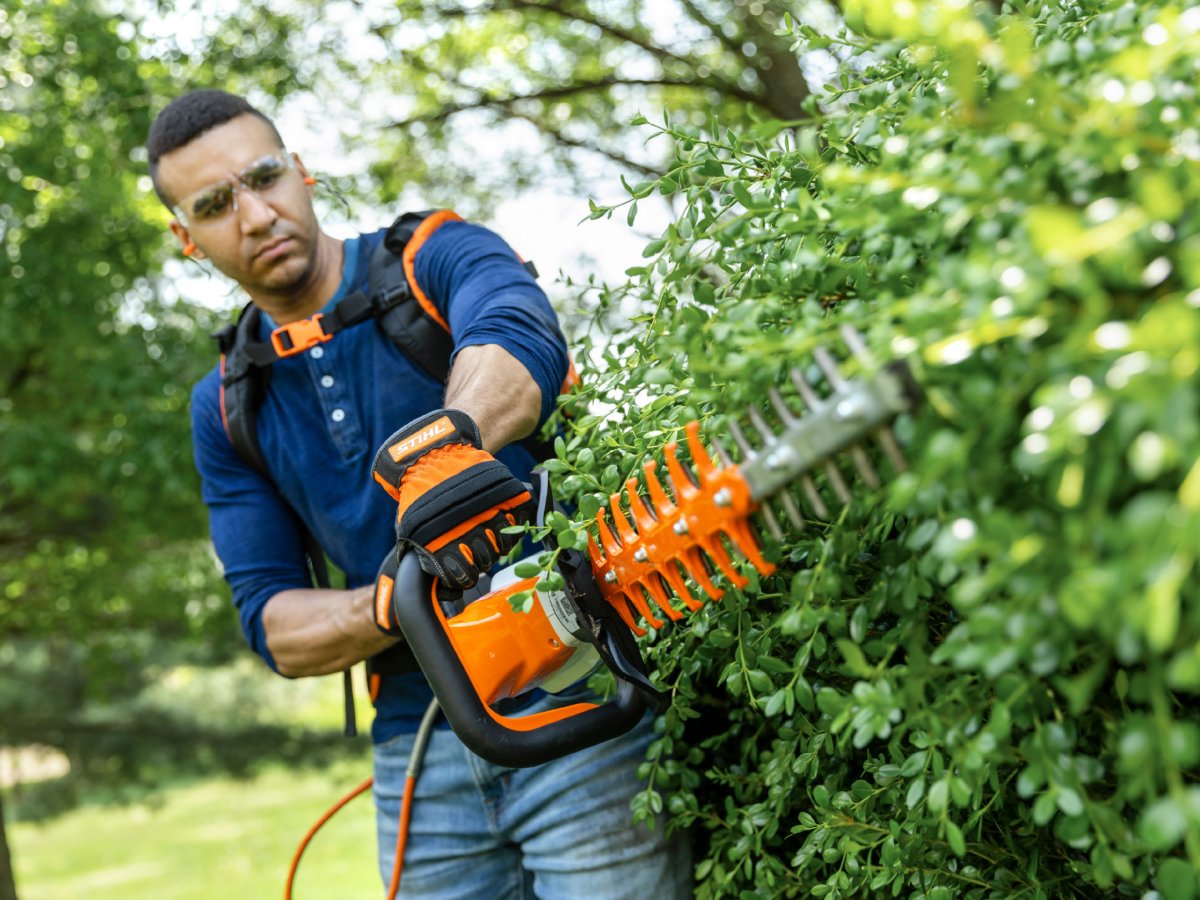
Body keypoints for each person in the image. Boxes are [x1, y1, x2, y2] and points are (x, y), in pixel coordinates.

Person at [145, 89, 690, 898]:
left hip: (575, 692)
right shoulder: (227, 403)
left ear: (303, 171)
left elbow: (518, 336)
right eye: (217, 204)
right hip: (419, 749)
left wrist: (446, 454)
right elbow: (273, 622)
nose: (256, 215)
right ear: (187, 238)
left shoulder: (432, 255)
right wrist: (394, 603)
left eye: (264, 178)